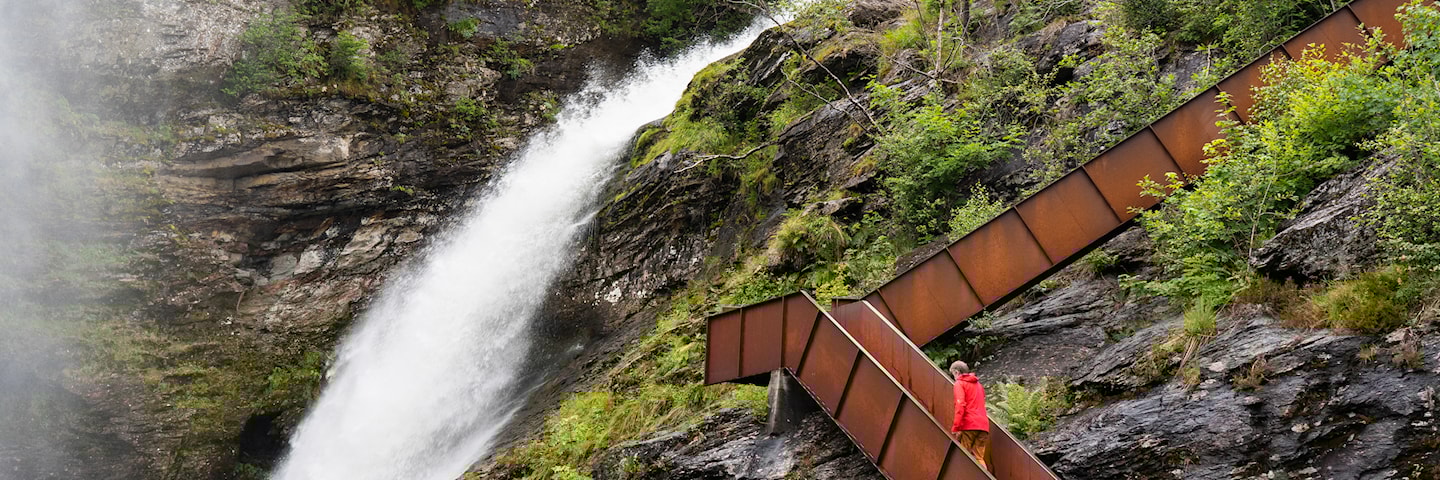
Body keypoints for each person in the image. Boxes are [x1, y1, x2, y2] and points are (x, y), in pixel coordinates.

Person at [950, 360, 990, 472]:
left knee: (964, 456)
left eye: (953, 374)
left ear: (957, 372)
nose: (954, 377)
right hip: (983, 426)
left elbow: (960, 404)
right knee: (979, 458)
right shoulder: (979, 385)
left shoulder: (959, 384)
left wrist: (956, 427)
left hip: (969, 425)